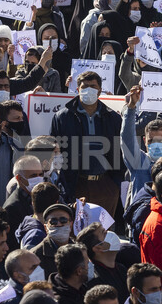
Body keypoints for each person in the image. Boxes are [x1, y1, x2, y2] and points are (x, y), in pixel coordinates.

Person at [49, 71, 123, 215]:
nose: (89, 89)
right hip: (74, 184)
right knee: (75, 232)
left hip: (105, 185)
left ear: (100, 91)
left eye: (93, 86)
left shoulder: (113, 118)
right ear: (78, 90)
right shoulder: (62, 117)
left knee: (102, 232)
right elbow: (54, 150)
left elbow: (120, 152)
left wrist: (115, 184)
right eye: (85, 87)